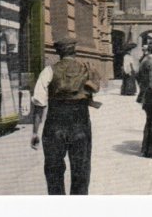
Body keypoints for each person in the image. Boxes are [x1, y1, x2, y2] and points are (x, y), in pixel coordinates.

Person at [30, 36, 100, 195]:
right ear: (74, 52)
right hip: (80, 124)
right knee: (81, 170)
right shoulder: (86, 69)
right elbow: (93, 91)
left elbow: (39, 103)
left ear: (58, 53)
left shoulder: (49, 71)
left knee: (53, 169)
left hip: (55, 125)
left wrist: (35, 132)